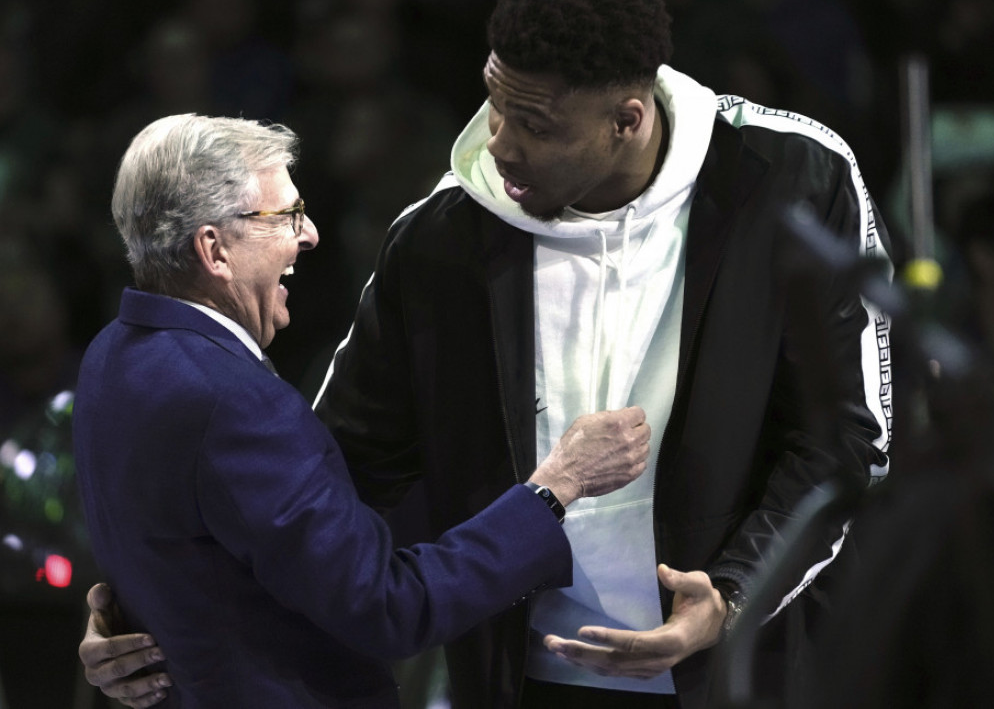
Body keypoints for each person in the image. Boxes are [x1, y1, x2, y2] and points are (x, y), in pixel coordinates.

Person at [80, 0, 893, 707]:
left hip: (750, 674)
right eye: (495, 103)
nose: (498, 142)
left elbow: (846, 442)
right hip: (518, 684)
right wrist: (146, 612)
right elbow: (323, 485)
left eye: (535, 123)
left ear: (626, 119)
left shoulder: (796, 179)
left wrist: (733, 597)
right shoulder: (440, 237)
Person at [72, 112, 652, 708]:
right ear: (214, 250)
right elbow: (389, 609)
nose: (309, 234)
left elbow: (183, 556)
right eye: (285, 215)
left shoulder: (108, 358)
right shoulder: (235, 403)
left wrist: (122, 621)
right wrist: (556, 488)